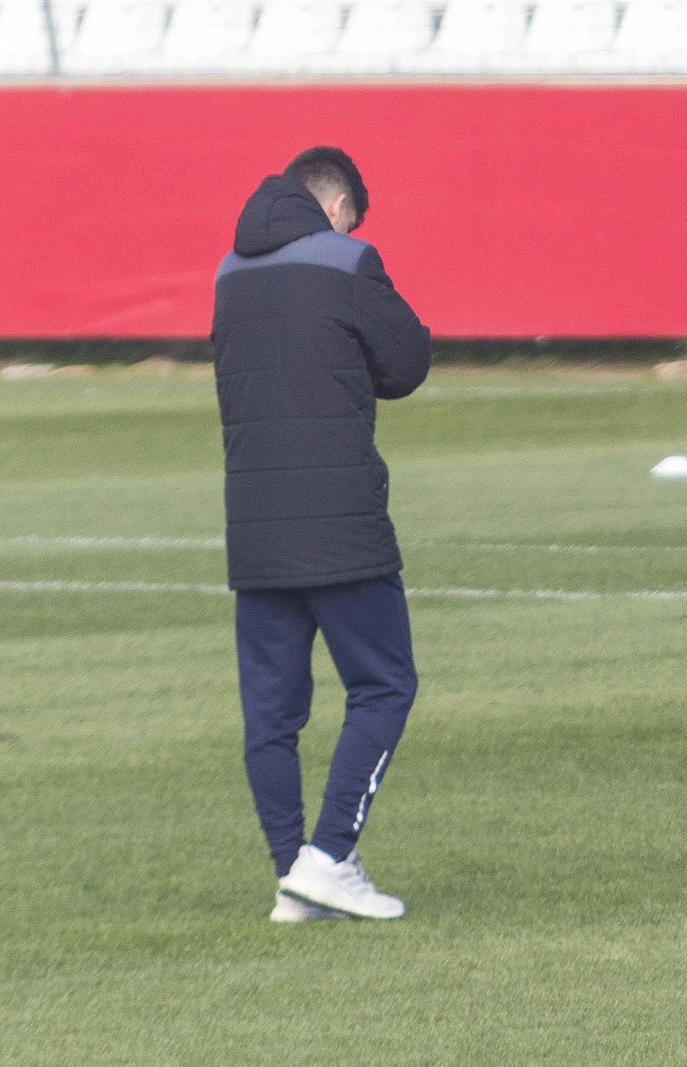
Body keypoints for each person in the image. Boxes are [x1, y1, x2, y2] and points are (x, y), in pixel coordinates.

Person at [211, 146, 431, 922]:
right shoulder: (348, 259)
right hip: (341, 523)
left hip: (255, 526)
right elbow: (407, 360)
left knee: (272, 715)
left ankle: (292, 875)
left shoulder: (227, 275)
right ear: (337, 207)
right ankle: (330, 853)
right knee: (385, 683)